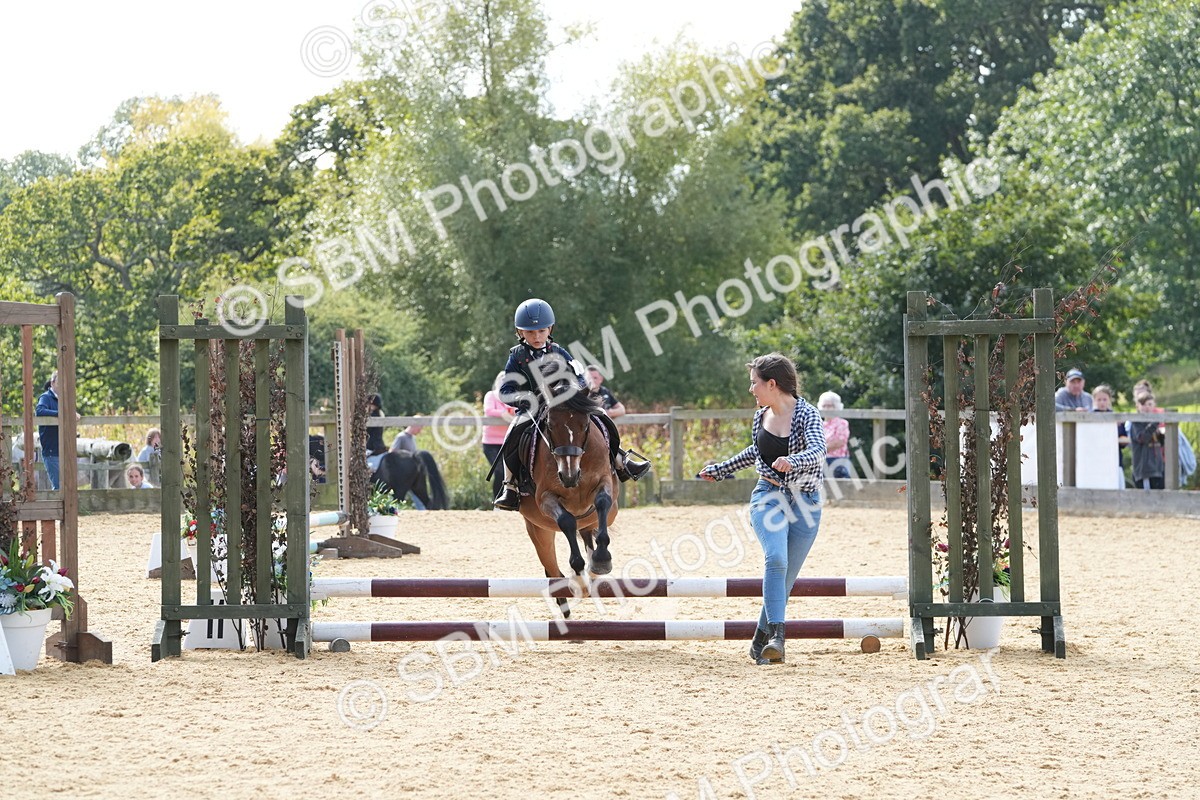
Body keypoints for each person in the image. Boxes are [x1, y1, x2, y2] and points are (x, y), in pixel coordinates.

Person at [698, 353, 826, 665]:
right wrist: (722, 468)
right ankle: (778, 637)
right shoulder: (761, 416)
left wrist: (793, 460)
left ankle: (759, 639)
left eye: (754, 383)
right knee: (776, 558)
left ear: (772, 383)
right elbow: (757, 451)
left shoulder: (807, 415)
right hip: (768, 495)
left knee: (785, 579)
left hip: (806, 502)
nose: (751, 389)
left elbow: (818, 450)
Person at [493, 298, 650, 511]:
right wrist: (528, 398)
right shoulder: (517, 357)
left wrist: (573, 394)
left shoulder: (559, 351)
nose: (537, 337)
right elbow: (505, 391)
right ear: (520, 333)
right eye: (530, 333)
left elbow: (581, 378)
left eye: (541, 331)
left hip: (563, 405)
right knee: (513, 432)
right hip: (533, 409)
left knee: (601, 416)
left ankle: (621, 459)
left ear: (550, 329)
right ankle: (509, 486)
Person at [483, 372, 516, 504]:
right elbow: (489, 410)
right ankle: (497, 500)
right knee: (499, 472)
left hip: (507, 442)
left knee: (510, 473)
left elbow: (516, 411)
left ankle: (509, 499)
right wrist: (503, 413)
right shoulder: (491, 395)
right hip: (491, 442)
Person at [1091, 384, 1129, 489]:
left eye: (1104, 399)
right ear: (1094, 400)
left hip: (1114, 460)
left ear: (1109, 400)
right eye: (1099, 400)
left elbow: (1123, 440)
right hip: (1096, 461)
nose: (1102, 402)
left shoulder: (1116, 417)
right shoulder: (1088, 417)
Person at [1129, 389, 1165, 490]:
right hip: (1144, 471)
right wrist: (1155, 424)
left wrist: (1162, 435)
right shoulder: (1136, 422)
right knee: (1147, 500)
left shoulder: (1154, 422)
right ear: (1137, 406)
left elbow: (1160, 443)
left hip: (1157, 469)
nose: (1147, 407)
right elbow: (1142, 438)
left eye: (1150, 404)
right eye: (1143, 404)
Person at [36, 371, 63, 490]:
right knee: (58, 486)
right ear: (52, 382)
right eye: (60, 381)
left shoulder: (64, 399)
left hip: (64, 449)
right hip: (51, 449)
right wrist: (61, 413)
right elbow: (39, 411)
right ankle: (57, 509)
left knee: (66, 486)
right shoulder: (46, 397)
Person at [816, 391, 851, 478]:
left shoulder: (842, 423)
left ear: (835, 407)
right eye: (824, 406)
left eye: (829, 406)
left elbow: (839, 443)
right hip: (820, 461)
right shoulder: (819, 424)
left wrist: (818, 450)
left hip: (838, 462)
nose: (826, 408)